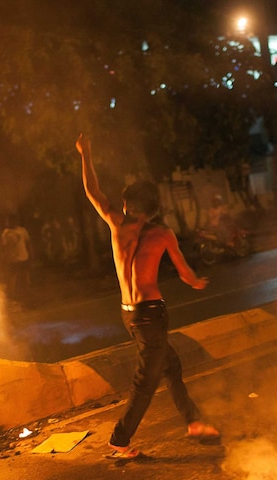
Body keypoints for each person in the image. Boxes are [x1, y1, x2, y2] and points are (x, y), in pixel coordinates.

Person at [75, 133, 220, 459]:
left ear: (128, 205)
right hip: (151, 314)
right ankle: (119, 441)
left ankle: (194, 422)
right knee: (146, 381)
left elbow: (92, 192)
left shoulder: (116, 224)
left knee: (171, 365)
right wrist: (196, 283)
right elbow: (184, 273)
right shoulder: (162, 234)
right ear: (153, 209)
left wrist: (86, 153)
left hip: (129, 314)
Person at [1, 215, 32, 302]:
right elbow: (4, 246)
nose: (12, 222)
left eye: (14, 220)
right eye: (10, 221)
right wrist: (5, 257)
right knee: (12, 277)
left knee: (25, 275)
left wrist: (31, 254)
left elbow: (28, 243)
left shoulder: (22, 230)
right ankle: (12, 294)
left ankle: (27, 292)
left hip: (23, 256)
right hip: (13, 259)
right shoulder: (6, 233)